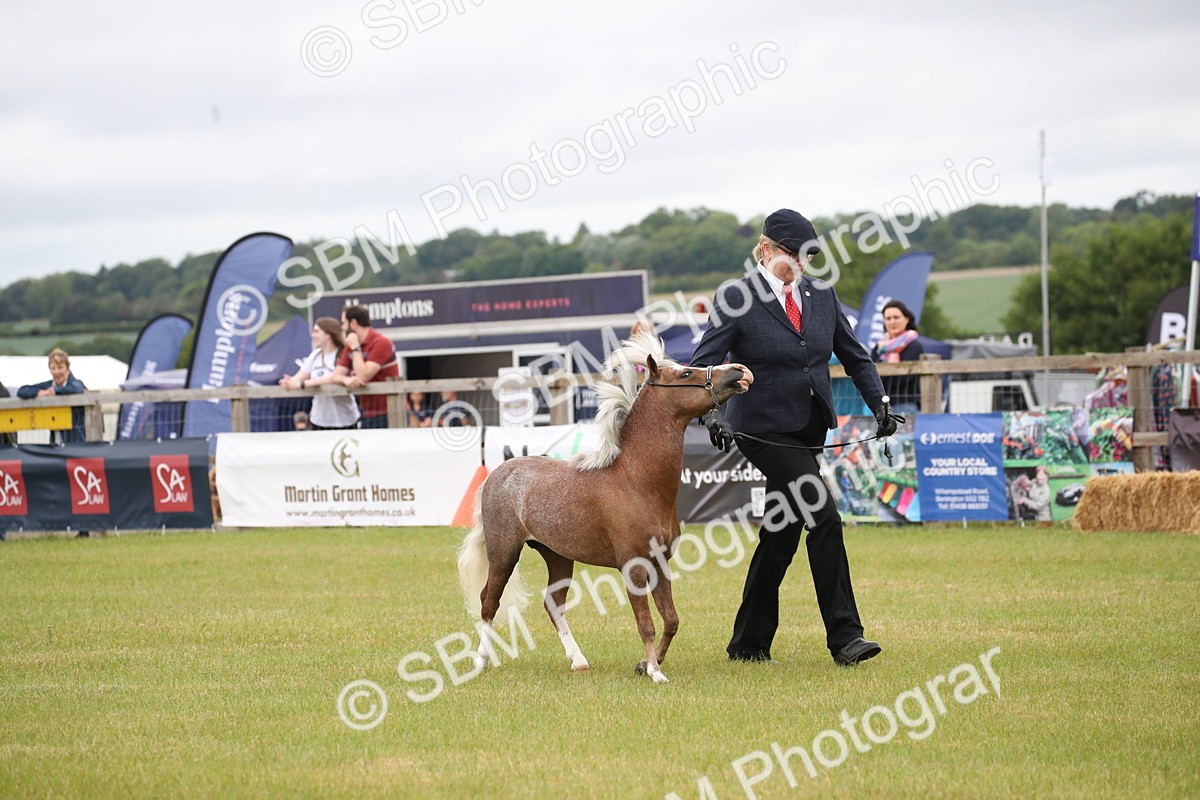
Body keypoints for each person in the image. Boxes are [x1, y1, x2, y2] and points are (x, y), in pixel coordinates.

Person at [690, 209, 900, 667]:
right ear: (766, 250)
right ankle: (846, 637)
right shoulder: (736, 297)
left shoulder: (821, 294)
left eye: (807, 257)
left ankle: (748, 643)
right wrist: (711, 411)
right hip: (761, 429)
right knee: (823, 516)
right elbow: (705, 362)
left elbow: (855, 357)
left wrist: (880, 405)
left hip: (808, 427)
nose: (800, 264)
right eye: (793, 255)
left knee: (781, 534)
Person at [280, 317, 361, 430]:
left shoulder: (343, 354)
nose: (313, 335)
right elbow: (298, 377)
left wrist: (303, 384)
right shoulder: (315, 355)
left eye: (316, 331)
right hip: (319, 420)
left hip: (345, 419)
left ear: (328, 334)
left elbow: (333, 378)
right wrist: (288, 382)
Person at [334, 305, 400, 429]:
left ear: (353, 323)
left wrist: (355, 348)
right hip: (368, 412)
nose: (342, 327)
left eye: (344, 323)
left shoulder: (381, 342)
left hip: (390, 412)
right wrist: (346, 380)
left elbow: (363, 376)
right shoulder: (351, 345)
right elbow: (336, 375)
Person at [17, 348, 87, 444]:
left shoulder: (76, 383)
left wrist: (54, 391)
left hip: (76, 441)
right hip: (56, 441)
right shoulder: (48, 386)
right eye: (53, 368)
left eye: (60, 367)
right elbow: (22, 390)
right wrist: (39, 392)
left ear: (68, 369)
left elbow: (76, 389)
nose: (56, 372)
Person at [872, 299, 924, 412]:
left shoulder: (914, 345)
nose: (892, 322)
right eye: (888, 318)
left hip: (905, 404)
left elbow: (904, 379)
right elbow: (870, 375)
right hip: (878, 405)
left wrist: (881, 378)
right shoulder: (878, 347)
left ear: (907, 319)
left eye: (896, 317)